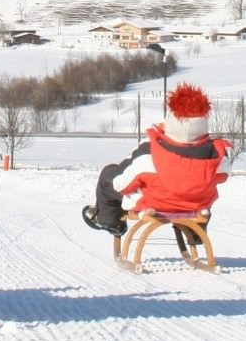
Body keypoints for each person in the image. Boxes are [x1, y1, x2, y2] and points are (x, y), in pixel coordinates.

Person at [82, 82, 232, 236]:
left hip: (155, 204)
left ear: (171, 121)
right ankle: (195, 231)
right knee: (199, 192)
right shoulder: (217, 154)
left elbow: (123, 184)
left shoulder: (151, 151)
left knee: (109, 175)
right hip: (196, 207)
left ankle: (109, 222)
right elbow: (224, 175)